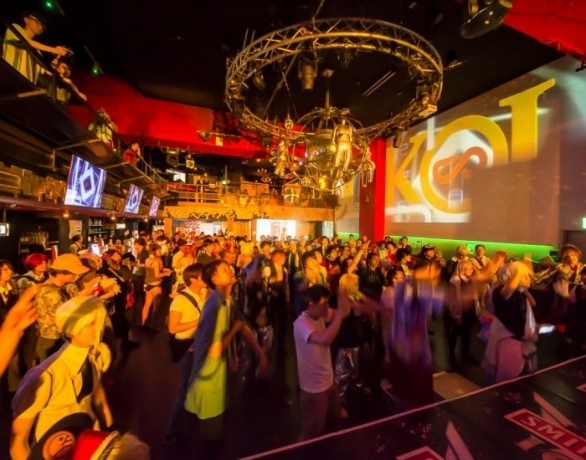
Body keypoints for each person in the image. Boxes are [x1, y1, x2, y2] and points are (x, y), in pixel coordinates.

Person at [10, 295, 113, 460]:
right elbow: (18, 441)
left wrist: (107, 423)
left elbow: (96, 391)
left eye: (100, 322)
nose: (99, 328)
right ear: (71, 329)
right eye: (91, 323)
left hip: (88, 445)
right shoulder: (45, 376)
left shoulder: (96, 356)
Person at [184, 260, 268, 458]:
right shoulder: (214, 306)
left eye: (229, 268)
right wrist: (234, 329)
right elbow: (215, 351)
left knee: (219, 432)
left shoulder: (228, 300)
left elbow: (243, 326)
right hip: (208, 380)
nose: (230, 270)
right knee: (211, 442)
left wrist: (261, 354)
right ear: (214, 279)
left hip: (220, 377)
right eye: (224, 270)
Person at [293, 284, 351, 441]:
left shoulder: (320, 315)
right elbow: (325, 340)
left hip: (328, 380)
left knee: (334, 420)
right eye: (324, 303)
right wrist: (339, 315)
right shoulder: (301, 323)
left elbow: (344, 313)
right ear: (311, 304)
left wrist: (343, 299)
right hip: (313, 387)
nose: (327, 307)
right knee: (313, 431)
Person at [164, 263, 207, 445]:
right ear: (193, 279)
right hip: (186, 347)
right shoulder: (180, 300)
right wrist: (199, 321)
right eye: (203, 276)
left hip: (198, 345)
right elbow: (173, 328)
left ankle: (192, 411)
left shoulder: (202, 294)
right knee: (184, 387)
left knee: (195, 381)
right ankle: (170, 431)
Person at [35, 254, 90, 362]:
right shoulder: (50, 292)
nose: (76, 275)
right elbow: (63, 317)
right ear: (60, 272)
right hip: (51, 341)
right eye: (72, 273)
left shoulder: (61, 287)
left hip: (59, 338)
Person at [2, 10, 69, 84]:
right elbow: (27, 42)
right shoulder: (15, 28)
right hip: (8, 75)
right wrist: (54, 50)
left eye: (43, 24)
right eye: (37, 21)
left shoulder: (37, 52)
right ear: (26, 19)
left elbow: (46, 72)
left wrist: (57, 59)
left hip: (25, 85)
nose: (40, 25)